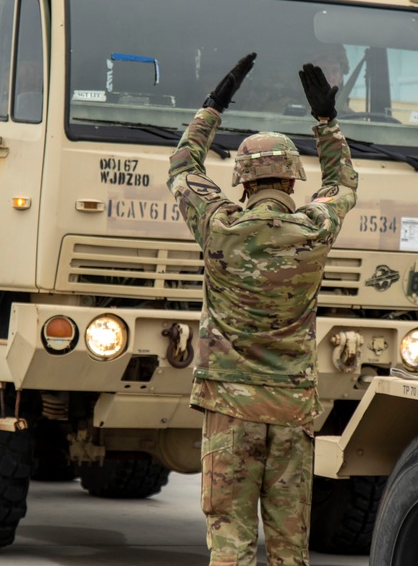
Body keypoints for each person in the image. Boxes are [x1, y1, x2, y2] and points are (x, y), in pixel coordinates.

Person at [167, 53, 358, 566]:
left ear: (243, 182)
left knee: (230, 542)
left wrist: (213, 108)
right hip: (292, 411)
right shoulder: (314, 230)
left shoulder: (220, 227)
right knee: (289, 549)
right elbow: (343, 186)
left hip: (229, 410)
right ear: (294, 181)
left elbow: (183, 165)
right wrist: (327, 123)